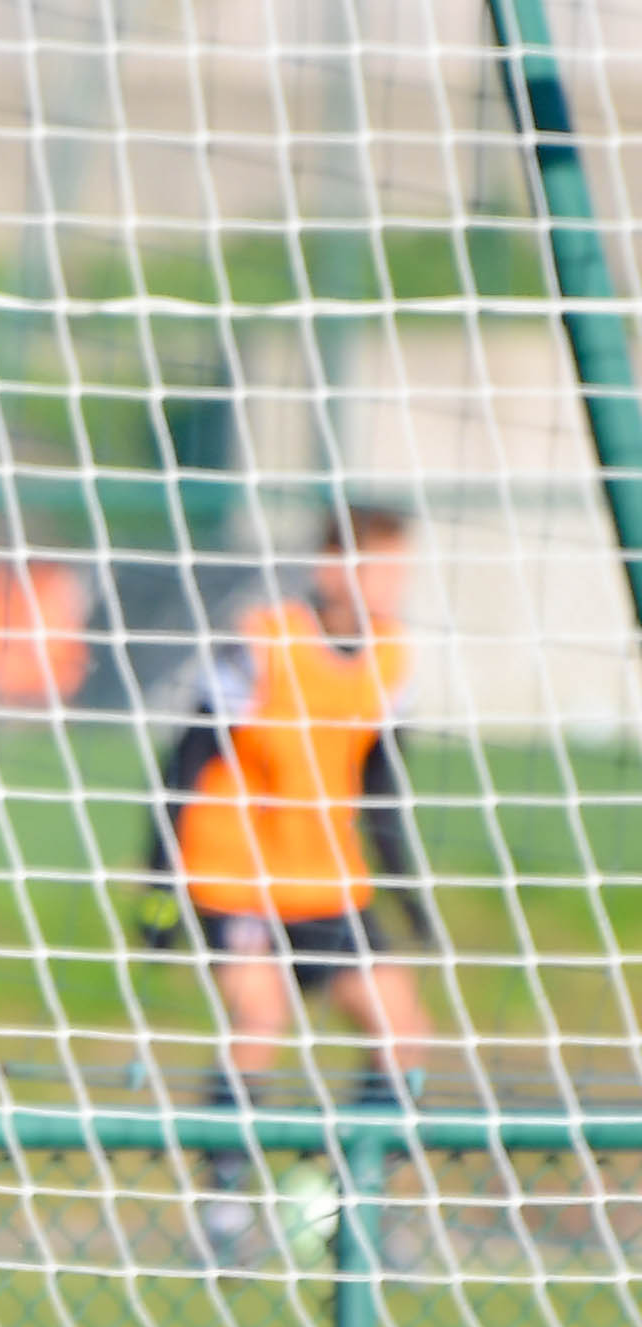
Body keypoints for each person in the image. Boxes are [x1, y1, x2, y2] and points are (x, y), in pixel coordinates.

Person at [136, 506, 438, 1252]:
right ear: (331, 567)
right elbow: (185, 759)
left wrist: (408, 895)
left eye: (399, 568)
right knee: (260, 1017)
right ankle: (224, 1212)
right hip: (234, 874)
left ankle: (353, 1202)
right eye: (375, 566)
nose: (390, 584)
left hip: (326, 882)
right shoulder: (264, 642)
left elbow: (381, 783)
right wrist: (158, 885)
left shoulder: (393, 658)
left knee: (403, 1029)